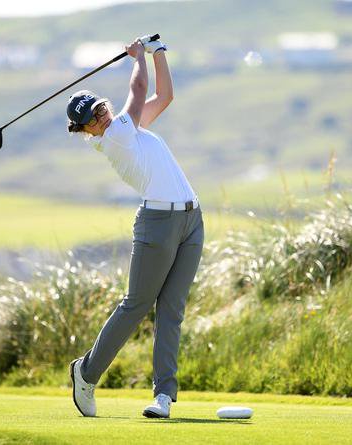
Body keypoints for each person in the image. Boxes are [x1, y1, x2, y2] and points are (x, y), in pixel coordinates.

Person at [66, 35, 204, 419]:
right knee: (136, 306)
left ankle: (164, 397)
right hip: (157, 225)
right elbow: (140, 88)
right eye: (92, 119)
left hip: (191, 220)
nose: (100, 117)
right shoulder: (116, 138)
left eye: (100, 109)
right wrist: (138, 56)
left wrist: (158, 52)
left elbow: (165, 96)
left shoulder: (129, 127)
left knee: (172, 311)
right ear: (85, 130)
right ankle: (86, 373)